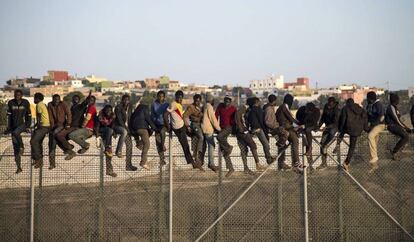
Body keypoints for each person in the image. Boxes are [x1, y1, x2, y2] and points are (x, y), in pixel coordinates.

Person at [165, 91, 203, 170]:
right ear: (175, 97)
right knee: (185, 145)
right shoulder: (173, 104)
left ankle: (195, 154)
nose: (179, 99)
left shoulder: (179, 105)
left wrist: (187, 126)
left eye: (181, 98)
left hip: (183, 126)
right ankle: (193, 162)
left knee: (194, 135)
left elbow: (178, 116)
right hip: (179, 128)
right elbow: (165, 114)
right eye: (178, 97)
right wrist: (168, 126)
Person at [58, 91, 92, 160]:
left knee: (59, 135)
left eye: (77, 99)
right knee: (57, 138)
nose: (75, 100)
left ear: (79, 100)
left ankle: (73, 147)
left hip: (75, 127)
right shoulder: (71, 108)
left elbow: (85, 103)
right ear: (72, 100)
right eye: (74, 99)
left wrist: (89, 97)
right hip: (70, 127)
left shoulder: (80, 107)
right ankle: (69, 150)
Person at [4, 89, 32, 173]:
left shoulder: (25, 102)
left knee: (16, 132)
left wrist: (28, 126)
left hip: (23, 125)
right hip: (13, 127)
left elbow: (29, 115)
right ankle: (19, 167)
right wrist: (8, 128)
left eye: (19, 95)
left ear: (21, 95)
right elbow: (8, 117)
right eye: (16, 95)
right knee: (15, 149)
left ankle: (22, 146)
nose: (17, 96)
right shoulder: (11, 103)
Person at [235, 102, 266, 174]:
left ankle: (246, 168)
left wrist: (251, 131)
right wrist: (244, 131)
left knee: (244, 150)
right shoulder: (242, 110)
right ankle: (257, 164)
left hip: (240, 133)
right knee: (253, 145)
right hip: (243, 133)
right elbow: (241, 122)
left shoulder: (242, 111)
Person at [338, 98, 368, 171]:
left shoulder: (345, 108)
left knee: (342, 131)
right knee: (352, 147)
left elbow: (343, 120)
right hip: (357, 130)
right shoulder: (361, 109)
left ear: (347, 103)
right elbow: (365, 119)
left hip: (348, 128)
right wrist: (366, 128)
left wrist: (340, 129)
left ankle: (338, 143)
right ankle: (347, 162)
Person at [275, 94, 303, 174]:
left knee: (294, 141)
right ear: (289, 100)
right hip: (284, 128)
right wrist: (299, 124)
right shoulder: (284, 107)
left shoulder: (283, 107)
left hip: (287, 127)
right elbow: (290, 118)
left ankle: (294, 163)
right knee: (294, 141)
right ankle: (293, 163)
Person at [129, 101, 158, 170]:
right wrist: (155, 128)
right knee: (147, 144)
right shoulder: (145, 109)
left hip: (135, 130)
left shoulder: (136, 111)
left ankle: (139, 144)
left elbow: (131, 120)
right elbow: (148, 119)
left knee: (146, 137)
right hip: (142, 129)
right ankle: (143, 162)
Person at [246, 97, 274, 164]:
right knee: (266, 144)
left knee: (265, 143)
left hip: (254, 129)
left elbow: (248, 120)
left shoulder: (249, 110)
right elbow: (261, 120)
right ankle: (269, 159)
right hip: (258, 129)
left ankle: (269, 157)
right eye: (259, 101)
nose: (260, 102)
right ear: (256, 102)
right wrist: (265, 130)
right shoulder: (258, 109)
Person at [47, 94, 71, 170]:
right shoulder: (50, 105)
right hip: (54, 126)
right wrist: (51, 127)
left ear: (59, 99)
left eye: (58, 99)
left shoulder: (63, 104)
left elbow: (68, 114)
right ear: (52, 99)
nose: (56, 101)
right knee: (51, 145)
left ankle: (68, 149)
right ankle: (52, 164)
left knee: (55, 135)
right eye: (55, 99)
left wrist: (68, 123)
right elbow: (50, 116)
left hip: (62, 125)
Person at [215, 96, 237, 177]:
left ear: (230, 102)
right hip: (221, 128)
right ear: (223, 101)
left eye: (228, 101)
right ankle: (231, 168)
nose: (226, 103)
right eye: (225, 101)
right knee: (224, 152)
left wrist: (234, 130)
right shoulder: (220, 106)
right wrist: (216, 127)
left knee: (219, 137)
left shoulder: (233, 108)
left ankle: (229, 147)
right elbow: (216, 116)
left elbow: (235, 120)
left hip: (228, 128)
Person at [385, 93, 411, 161]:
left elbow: (399, 120)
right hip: (392, 126)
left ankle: (398, 150)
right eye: (398, 99)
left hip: (396, 125)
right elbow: (396, 120)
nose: (399, 101)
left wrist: (406, 127)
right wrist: (406, 128)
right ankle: (394, 152)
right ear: (395, 100)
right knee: (405, 136)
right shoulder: (391, 107)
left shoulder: (395, 107)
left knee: (407, 135)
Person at [317, 97, 340, 170]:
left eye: (330, 103)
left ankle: (326, 144)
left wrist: (326, 127)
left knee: (331, 132)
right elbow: (322, 118)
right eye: (328, 103)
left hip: (335, 126)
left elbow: (336, 122)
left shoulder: (337, 110)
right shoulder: (326, 107)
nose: (329, 105)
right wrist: (318, 126)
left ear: (333, 103)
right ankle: (324, 163)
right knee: (321, 143)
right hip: (327, 127)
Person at [114, 94, 137, 170]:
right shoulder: (118, 107)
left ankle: (128, 165)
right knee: (124, 131)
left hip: (127, 129)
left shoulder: (130, 107)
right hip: (118, 127)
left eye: (128, 100)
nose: (126, 101)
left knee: (129, 146)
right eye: (125, 99)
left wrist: (131, 129)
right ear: (122, 100)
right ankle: (118, 151)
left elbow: (130, 118)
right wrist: (127, 129)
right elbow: (120, 120)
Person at [365, 91, 385, 172]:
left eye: (367, 99)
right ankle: (375, 165)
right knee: (374, 144)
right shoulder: (371, 105)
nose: (366, 100)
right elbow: (369, 116)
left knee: (370, 136)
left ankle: (374, 157)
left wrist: (373, 125)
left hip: (380, 125)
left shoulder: (378, 104)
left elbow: (382, 116)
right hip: (374, 125)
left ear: (370, 99)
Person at [296, 102, 320, 167]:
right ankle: (307, 162)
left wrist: (304, 125)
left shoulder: (317, 111)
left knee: (307, 130)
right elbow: (298, 118)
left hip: (312, 125)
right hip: (303, 125)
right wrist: (300, 125)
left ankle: (310, 148)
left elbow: (314, 122)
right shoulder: (302, 110)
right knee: (298, 132)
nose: (306, 112)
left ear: (311, 111)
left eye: (308, 111)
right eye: (306, 110)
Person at [201, 94, 221, 172]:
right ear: (211, 100)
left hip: (204, 128)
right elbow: (213, 119)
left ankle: (208, 162)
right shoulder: (209, 107)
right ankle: (211, 163)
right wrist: (218, 128)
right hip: (208, 129)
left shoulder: (205, 106)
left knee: (208, 146)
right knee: (211, 145)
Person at [30, 93, 51, 168]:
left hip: (43, 126)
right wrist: (35, 126)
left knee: (33, 141)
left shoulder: (39, 105)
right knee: (38, 142)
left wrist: (37, 126)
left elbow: (39, 117)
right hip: (45, 126)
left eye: (35, 98)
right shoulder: (43, 104)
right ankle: (37, 159)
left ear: (38, 99)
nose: (34, 100)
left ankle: (38, 159)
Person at [184, 94, 204, 164]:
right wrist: (187, 126)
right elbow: (184, 116)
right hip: (194, 124)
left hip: (200, 125)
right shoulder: (191, 107)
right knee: (201, 137)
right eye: (196, 101)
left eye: (198, 101)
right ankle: (198, 153)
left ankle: (196, 155)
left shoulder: (200, 107)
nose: (197, 102)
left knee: (199, 138)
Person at [151, 91, 169, 166]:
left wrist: (168, 125)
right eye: (159, 96)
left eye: (162, 96)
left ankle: (162, 145)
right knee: (157, 141)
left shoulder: (167, 104)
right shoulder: (154, 105)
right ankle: (162, 159)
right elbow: (152, 116)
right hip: (156, 124)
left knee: (162, 132)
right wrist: (153, 126)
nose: (160, 98)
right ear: (157, 97)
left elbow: (169, 115)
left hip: (164, 124)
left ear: (164, 97)